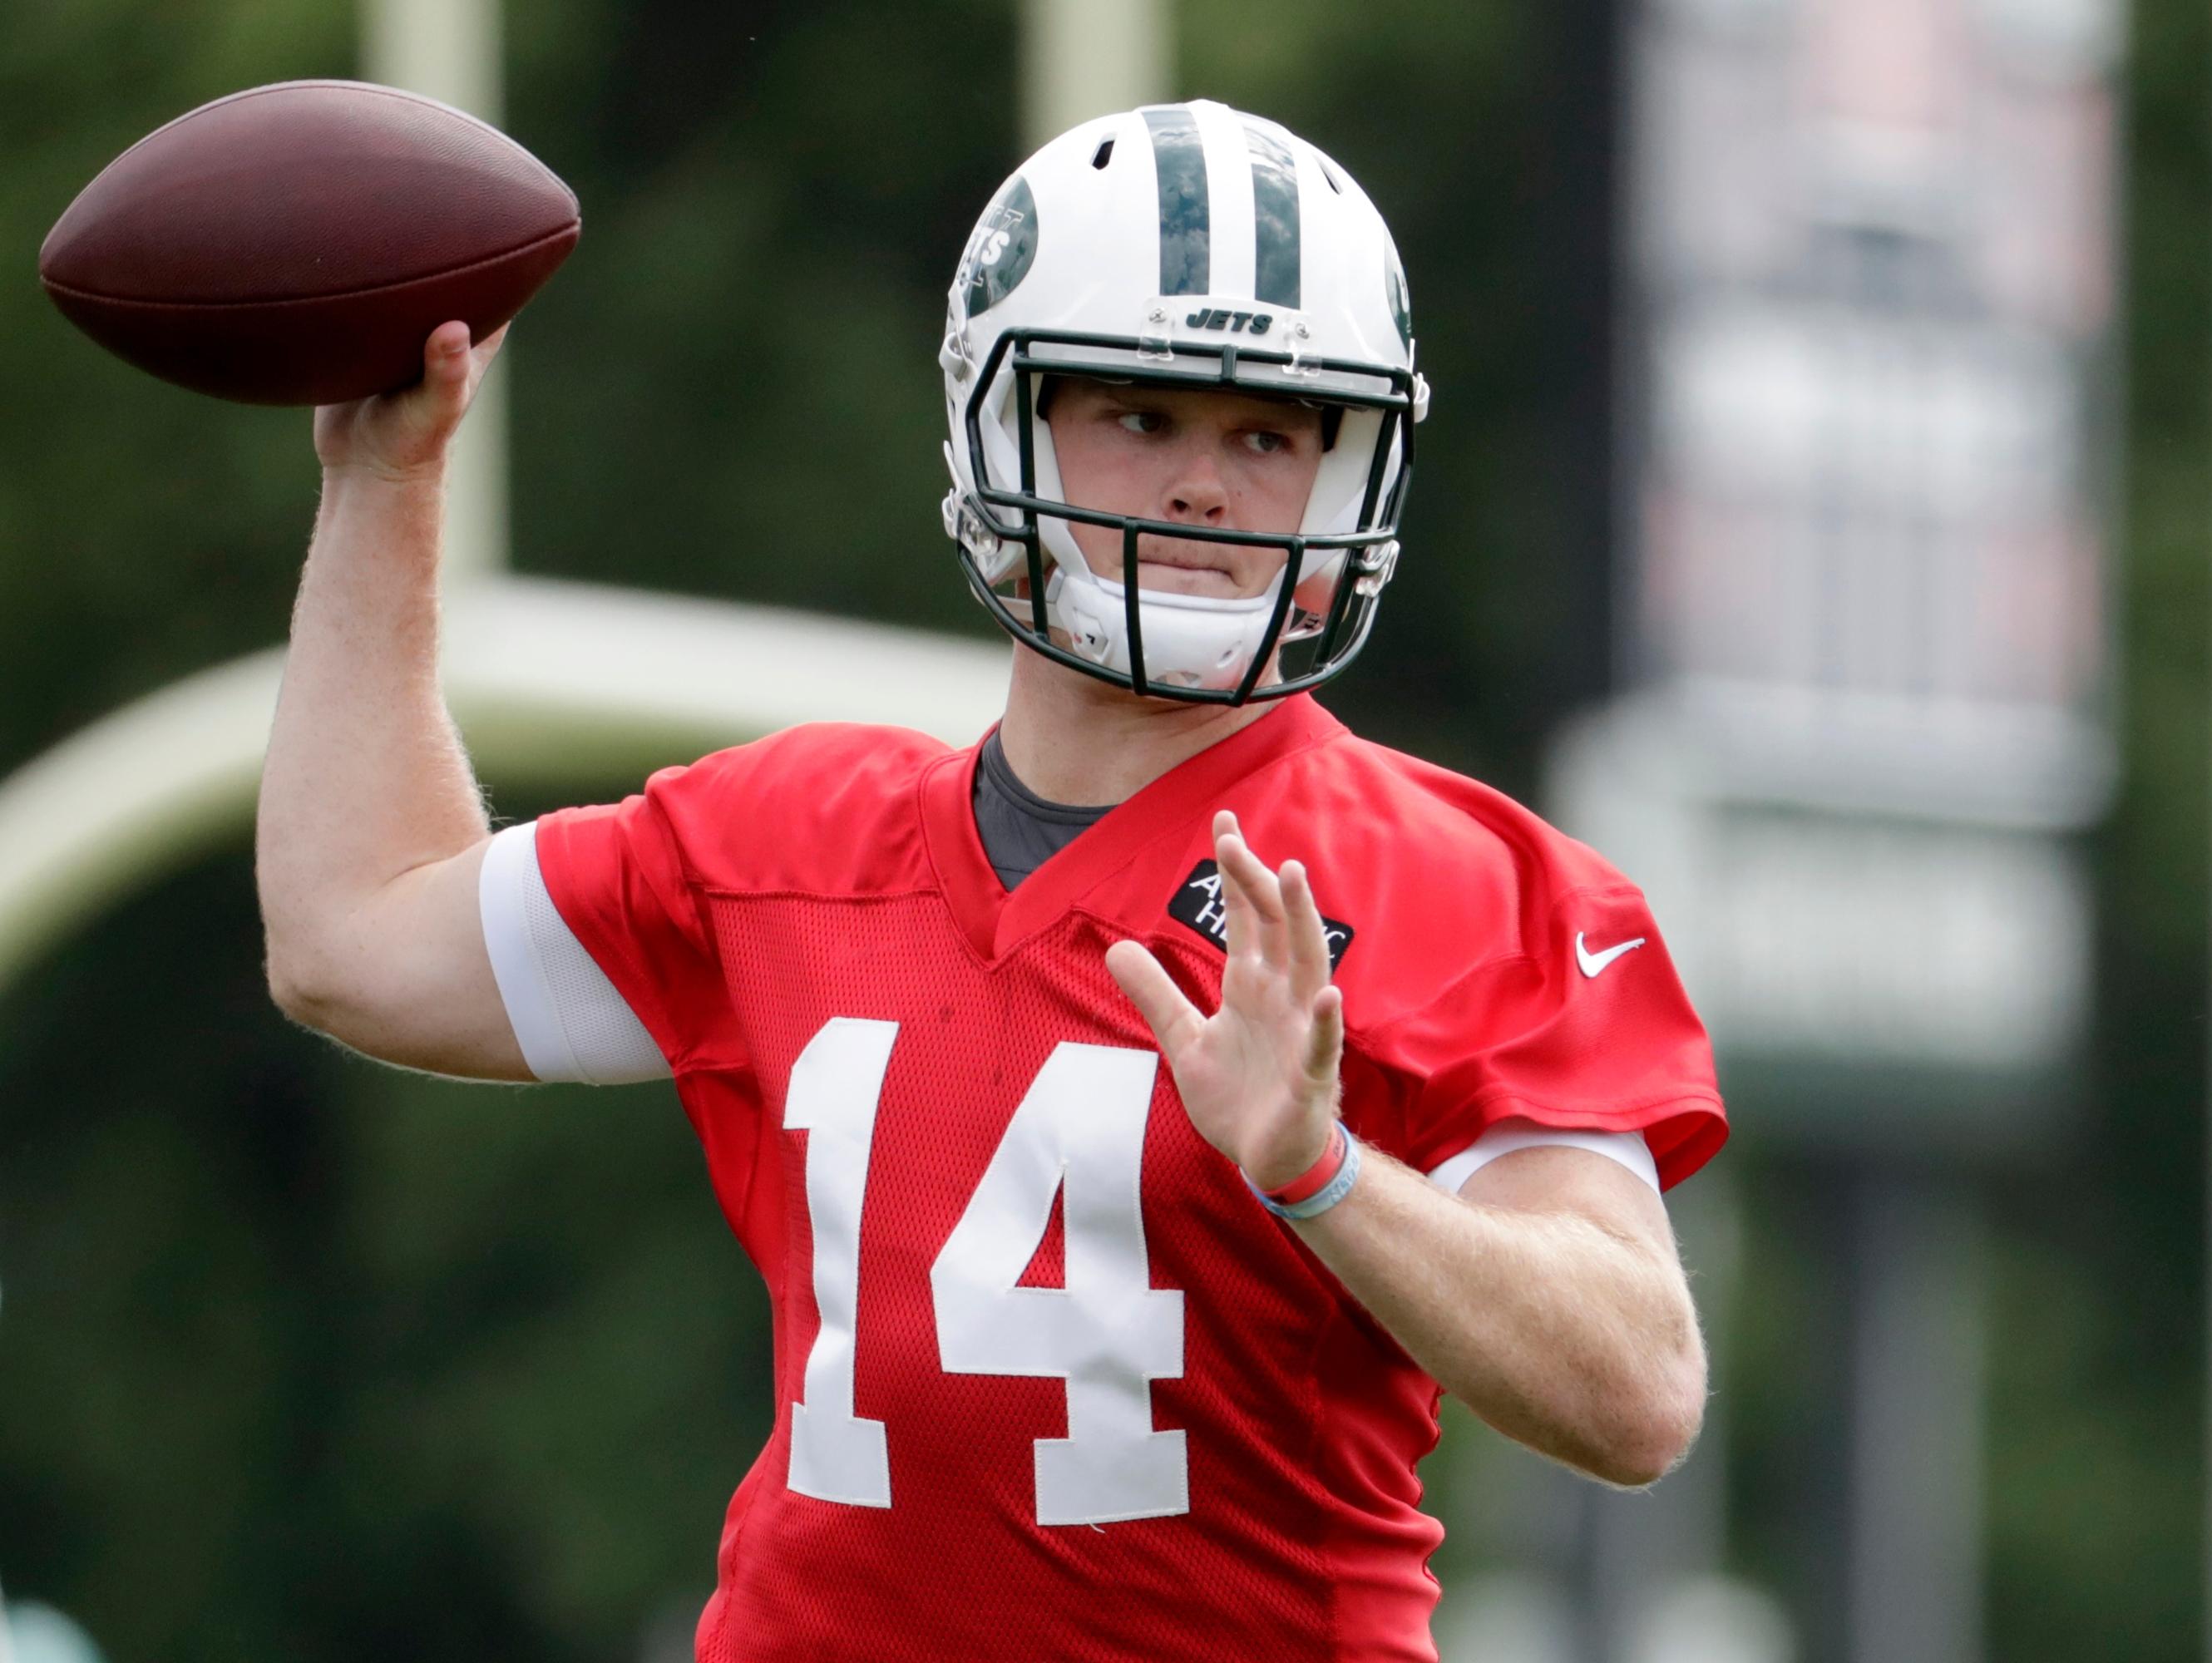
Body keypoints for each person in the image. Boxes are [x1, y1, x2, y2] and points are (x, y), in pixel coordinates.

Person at [257, 100, 1726, 1661]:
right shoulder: (788, 844)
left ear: (1345, 469)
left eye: (1268, 434)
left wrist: (1325, 1173)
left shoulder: (1459, 885)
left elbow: (1636, 1393)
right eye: (1143, 417)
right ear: (998, 420)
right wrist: (381, 487)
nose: (1207, 489)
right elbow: (353, 936)